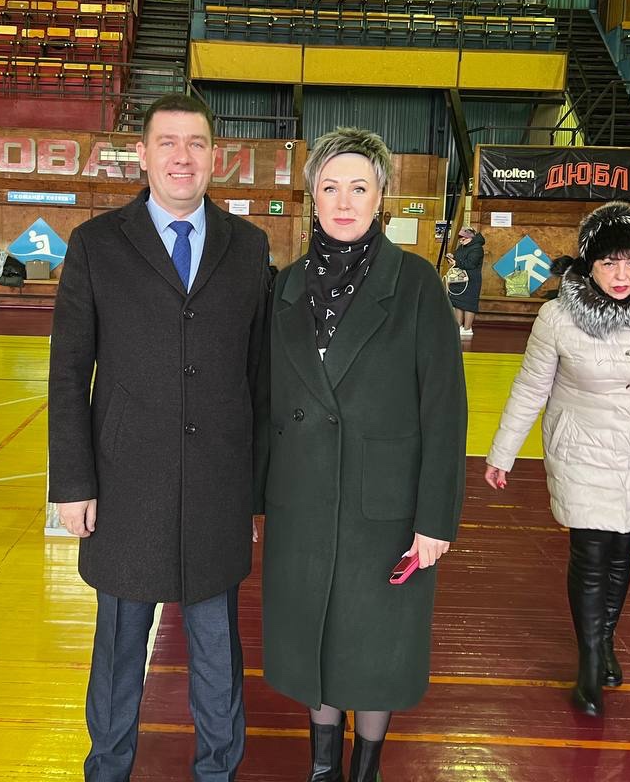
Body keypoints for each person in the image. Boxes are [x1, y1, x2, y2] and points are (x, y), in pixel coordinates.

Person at [48, 94, 271, 782]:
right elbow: (67, 373)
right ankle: (107, 768)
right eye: (168, 142)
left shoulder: (248, 247)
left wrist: (256, 493)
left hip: (217, 490)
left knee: (217, 651)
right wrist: (72, 484)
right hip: (124, 488)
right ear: (141, 154)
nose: (182, 157)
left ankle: (219, 771)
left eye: (196, 143)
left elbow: (259, 379)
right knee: (118, 650)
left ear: (215, 157)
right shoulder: (96, 244)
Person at [256, 127, 467, 782]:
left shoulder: (417, 285)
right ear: (311, 197)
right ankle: (323, 766)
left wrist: (435, 520)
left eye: (358, 187)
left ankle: (366, 767)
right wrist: (255, 500)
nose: (343, 202)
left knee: (375, 646)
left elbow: (445, 411)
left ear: (381, 197)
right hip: (300, 500)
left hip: (385, 508)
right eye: (329, 187)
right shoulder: (286, 287)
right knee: (314, 638)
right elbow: (264, 400)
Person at [483, 201, 630, 718]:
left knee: (623, 551)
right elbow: (531, 387)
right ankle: (588, 663)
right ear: (588, 265)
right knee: (590, 553)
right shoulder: (558, 318)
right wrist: (503, 452)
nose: (621, 275)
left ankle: (605, 641)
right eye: (608, 263)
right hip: (580, 451)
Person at [445, 225, 484, 338]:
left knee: (469, 305)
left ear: (470, 237)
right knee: (458, 303)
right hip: (460, 279)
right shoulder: (462, 247)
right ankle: (458, 326)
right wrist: (452, 256)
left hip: (471, 280)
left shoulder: (477, 248)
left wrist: (456, 263)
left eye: (463, 237)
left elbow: (471, 264)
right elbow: (458, 258)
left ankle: (467, 328)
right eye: (460, 237)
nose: (461, 240)